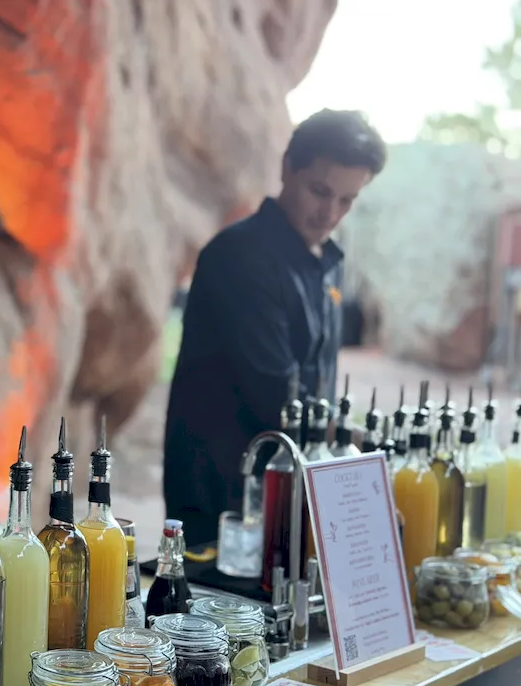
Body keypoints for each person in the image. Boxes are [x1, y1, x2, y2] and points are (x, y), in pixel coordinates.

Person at [162, 109, 388, 545]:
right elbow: (276, 397)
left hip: (287, 478)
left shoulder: (327, 263)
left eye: (347, 200)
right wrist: (354, 439)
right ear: (287, 168)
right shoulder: (242, 256)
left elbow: (315, 383)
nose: (330, 213)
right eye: (320, 191)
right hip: (225, 490)